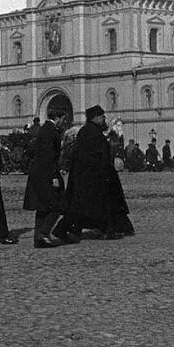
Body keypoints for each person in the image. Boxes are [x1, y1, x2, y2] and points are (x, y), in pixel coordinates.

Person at [53, 104, 123, 241]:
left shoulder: (87, 131)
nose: (104, 119)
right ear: (96, 118)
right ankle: (63, 230)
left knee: (88, 206)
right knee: (83, 207)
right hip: (91, 177)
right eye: (102, 117)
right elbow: (97, 156)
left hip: (87, 176)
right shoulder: (93, 133)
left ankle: (104, 229)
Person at [22, 109, 68, 248]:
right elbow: (48, 155)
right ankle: (44, 233)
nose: (64, 122)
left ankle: (38, 238)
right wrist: (54, 176)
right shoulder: (50, 131)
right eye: (63, 118)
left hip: (39, 173)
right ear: (58, 117)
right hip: (46, 173)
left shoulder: (45, 129)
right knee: (57, 204)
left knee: (42, 207)